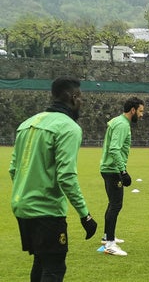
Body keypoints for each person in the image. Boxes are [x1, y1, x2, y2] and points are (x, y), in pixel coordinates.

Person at [9, 77, 98, 281]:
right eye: (81, 97)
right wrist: (85, 215)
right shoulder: (68, 127)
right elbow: (66, 176)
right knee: (55, 268)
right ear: (74, 97)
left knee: (41, 261)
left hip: (22, 206)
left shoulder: (27, 123)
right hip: (46, 211)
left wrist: (26, 193)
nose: (82, 102)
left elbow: (13, 169)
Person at [99, 96, 145, 256]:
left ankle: (107, 237)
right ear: (132, 110)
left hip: (109, 168)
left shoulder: (119, 122)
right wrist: (123, 171)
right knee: (116, 205)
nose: (141, 115)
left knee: (113, 203)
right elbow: (114, 149)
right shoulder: (122, 125)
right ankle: (110, 245)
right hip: (112, 170)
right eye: (140, 111)